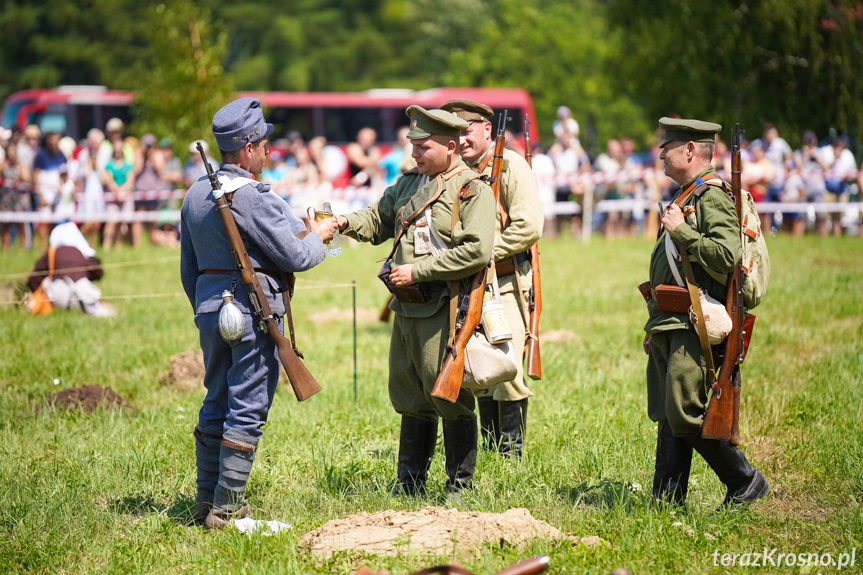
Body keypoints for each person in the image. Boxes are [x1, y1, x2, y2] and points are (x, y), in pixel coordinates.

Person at [180, 98, 338, 529]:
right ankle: (227, 510)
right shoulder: (251, 196)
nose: (268, 151)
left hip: (211, 309)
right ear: (247, 147)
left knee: (217, 400)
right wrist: (320, 235)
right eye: (263, 143)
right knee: (247, 406)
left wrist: (206, 311)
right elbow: (297, 256)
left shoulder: (195, 194)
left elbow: (188, 269)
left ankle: (204, 503)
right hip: (253, 311)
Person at [333, 105, 495, 498]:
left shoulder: (473, 189)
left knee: (448, 396)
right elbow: (378, 218)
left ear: (451, 146)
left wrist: (419, 271)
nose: (415, 153)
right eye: (413, 144)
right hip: (406, 307)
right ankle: (410, 485)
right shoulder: (409, 183)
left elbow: (476, 251)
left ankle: (460, 486)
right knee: (409, 397)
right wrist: (342, 223)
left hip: (446, 307)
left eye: (424, 146)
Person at [644, 117, 769, 510]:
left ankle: (745, 481)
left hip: (695, 321)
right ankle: (667, 501)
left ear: (690, 151)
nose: (661, 153)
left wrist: (681, 231)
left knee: (685, 412)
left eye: (669, 145)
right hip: (672, 319)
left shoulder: (710, 196)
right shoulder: (687, 195)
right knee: (670, 412)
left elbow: (727, 256)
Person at [440, 99, 543, 459]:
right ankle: (489, 451)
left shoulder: (512, 166)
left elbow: (529, 226)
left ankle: (510, 458)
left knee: (508, 366)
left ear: (487, 129)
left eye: (466, 130)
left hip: (508, 280)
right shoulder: (458, 173)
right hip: (468, 282)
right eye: (455, 133)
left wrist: (484, 250)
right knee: (479, 367)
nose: (461, 139)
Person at [26, 221, 116, 317]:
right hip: (84, 296)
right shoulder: (82, 250)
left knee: (48, 281)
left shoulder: (52, 252)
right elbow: (99, 272)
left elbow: (33, 279)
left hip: (59, 299)